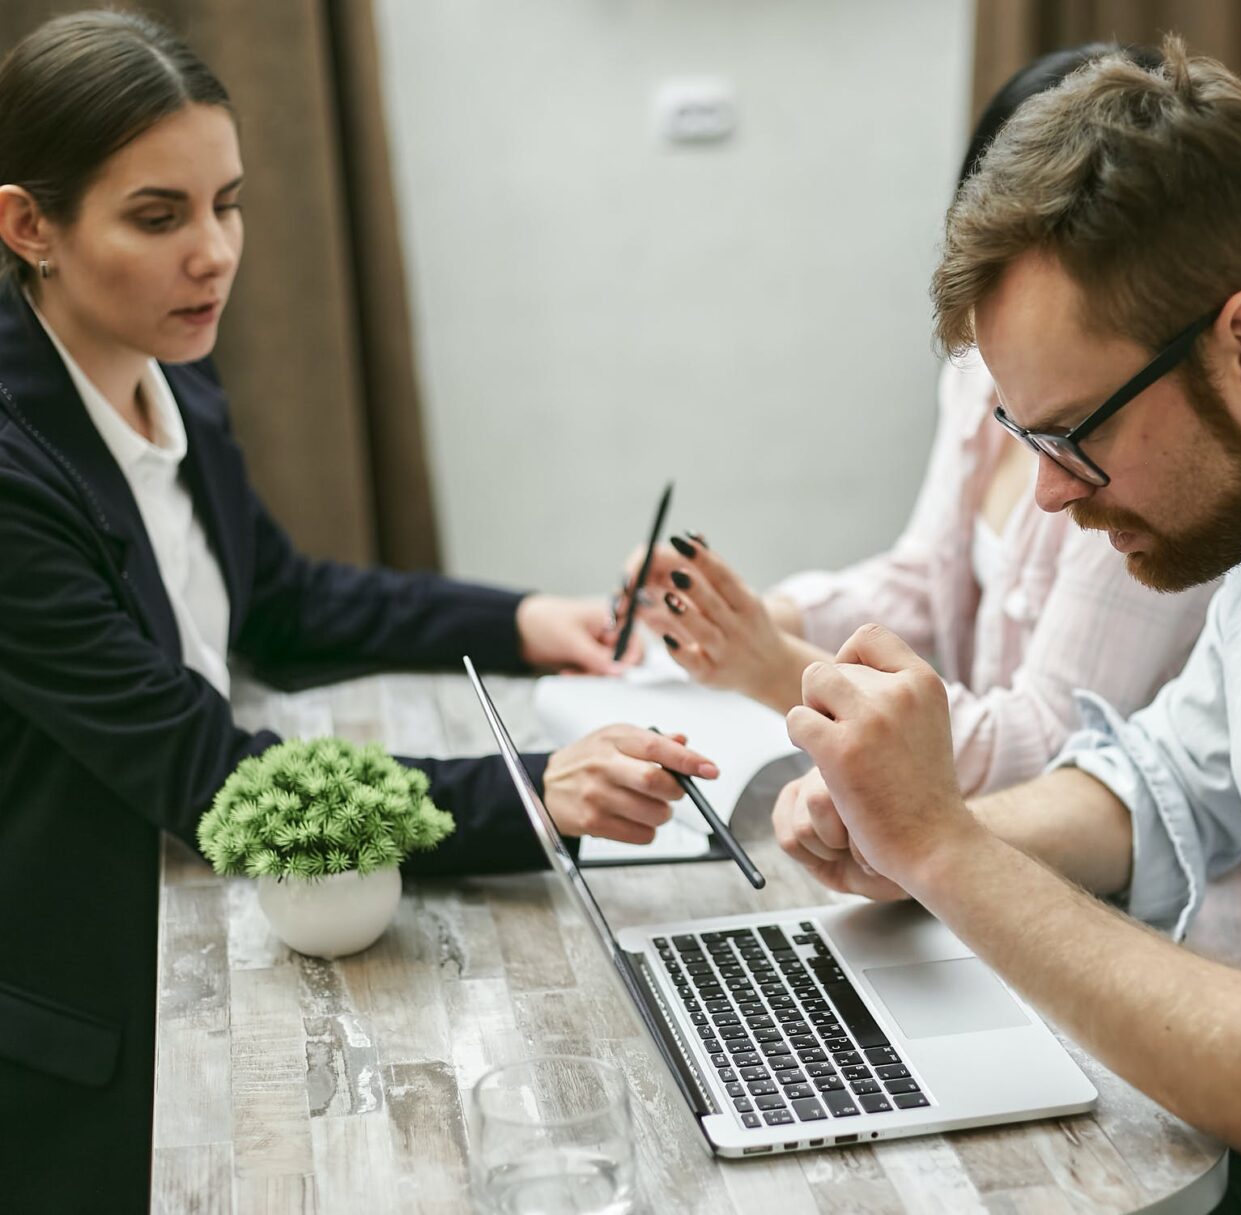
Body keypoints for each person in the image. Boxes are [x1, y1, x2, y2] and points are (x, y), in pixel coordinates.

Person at [773, 37, 1241, 1214]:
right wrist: (904, 829)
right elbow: (1158, 785)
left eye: (1076, 435)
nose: (1049, 494)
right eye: (1031, 443)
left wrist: (948, 849)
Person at [0, 12, 715, 1210]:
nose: (215, 254)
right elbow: (209, 777)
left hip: (201, 907)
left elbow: (278, 599)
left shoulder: (165, 362)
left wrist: (532, 617)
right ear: (29, 226)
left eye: (226, 203)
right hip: (88, 1005)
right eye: (159, 217)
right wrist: (532, 791)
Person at [629, 45, 1212, 798]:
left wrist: (778, 666)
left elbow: (1047, 750)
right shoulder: (979, 372)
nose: (1046, 483)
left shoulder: (1140, 443)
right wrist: (752, 616)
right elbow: (924, 582)